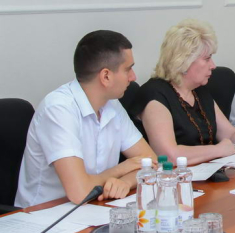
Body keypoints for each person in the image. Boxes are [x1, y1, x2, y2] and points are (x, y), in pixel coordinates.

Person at [15, 30, 157, 208]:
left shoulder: (112, 104)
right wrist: (121, 169)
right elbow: (80, 192)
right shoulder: (58, 109)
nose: (133, 77)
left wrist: (125, 182)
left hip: (93, 207)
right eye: (128, 69)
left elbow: (152, 163)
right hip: (44, 215)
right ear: (106, 76)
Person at [130, 19, 235, 166]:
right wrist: (218, 150)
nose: (213, 65)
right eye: (207, 58)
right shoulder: (155, 96)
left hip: (206, 173)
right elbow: (169, 155)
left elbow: (231, 134)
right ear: (184, 61)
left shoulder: (198, 90)